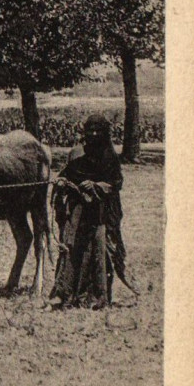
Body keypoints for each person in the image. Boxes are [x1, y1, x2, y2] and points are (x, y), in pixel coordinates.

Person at [49, 113, 136, 309]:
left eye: (98, 131)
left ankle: (96, 296)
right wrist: (61, 182)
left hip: (101, 212)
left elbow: (116, 183)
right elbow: (66, 174)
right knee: (71, 247)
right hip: (79, 211)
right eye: (91, 130)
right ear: (85, 132)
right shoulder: (78, 154)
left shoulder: (109, 157)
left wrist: (96, 185)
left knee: (98, 252)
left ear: (104, 133)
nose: (94, 134)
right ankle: (65, 293)